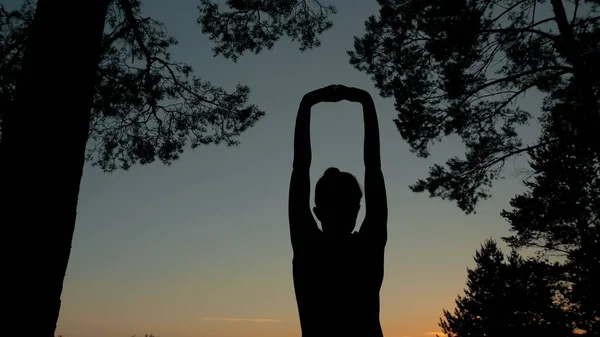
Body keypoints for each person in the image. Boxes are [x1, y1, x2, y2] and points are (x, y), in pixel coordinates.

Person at [288, 84, 388, 337]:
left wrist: (308, 102)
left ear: (317, 211)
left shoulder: (307, 246)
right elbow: (373, 168)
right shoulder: (368, 245)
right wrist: (365, 102)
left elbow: (300, 168)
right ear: (358, 209)